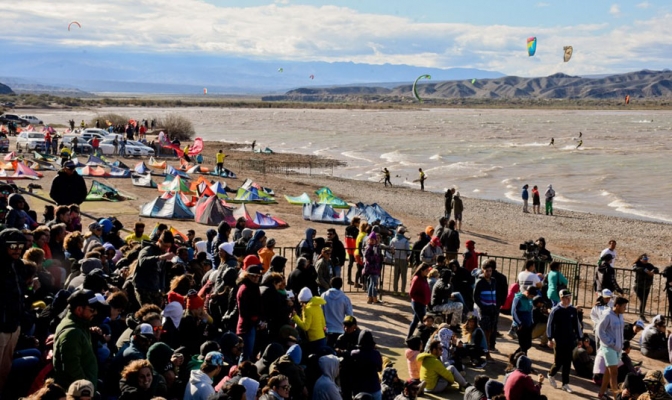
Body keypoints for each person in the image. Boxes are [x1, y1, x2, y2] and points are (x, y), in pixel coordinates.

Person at [53, 289, 108, 391]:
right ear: (79, 310)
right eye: (92, 310)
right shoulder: (72, 333)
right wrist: (88, 390)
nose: (95, 312)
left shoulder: (80, 325)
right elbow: (72, 370)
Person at [0, 229, 27, 393]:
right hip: (0, 328)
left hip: (14, 326)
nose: (17, 249)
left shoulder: (19, 265)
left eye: (20, 246)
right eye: (13, 246)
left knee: (4, 371)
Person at [546, 289, 582, 393]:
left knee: (567, 362)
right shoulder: (555, 310)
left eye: (570, 297)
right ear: (561, 298)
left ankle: (565, 384)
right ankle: (551, 374)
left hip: (570, 340)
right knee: (558, 362)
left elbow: (577, 325)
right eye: (567, 297)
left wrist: (580, 338)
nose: (569, 299)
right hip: (558, 340)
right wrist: (550, 338)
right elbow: (549, 325)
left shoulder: (572, 310)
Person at [596, 296, 628, 400]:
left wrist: (620, 345)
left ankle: (601, 393)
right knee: (614, 373)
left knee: (608, 371)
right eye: (624, 306)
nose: (625, 309)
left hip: (617, 349)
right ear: (617, 306)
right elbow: (599, 331)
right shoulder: (607, 315)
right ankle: (616, 398)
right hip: (608, 348)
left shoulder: (620, 315)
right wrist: (611, 343)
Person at [133, 231, 176, 307]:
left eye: (168, 247)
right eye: (165, 246)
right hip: (143, 288)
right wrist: (159, 257)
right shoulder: (148, 249)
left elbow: (161, 271)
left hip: (154, 288)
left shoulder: (163, 253)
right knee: (148, 313)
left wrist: (162, 289)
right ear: (159, 241)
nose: (166, 248)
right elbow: (142, 261)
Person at [473, 261, 497, 358]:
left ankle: (486, 350)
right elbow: (475, 297)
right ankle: (486, 352)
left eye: (490, 271)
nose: (488, 273)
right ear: (483, 271)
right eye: (487, 271)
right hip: (484, 310)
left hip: (492, 310)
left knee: (491, 331)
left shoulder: (493, 281)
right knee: (485, 332)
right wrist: (482, 306)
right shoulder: (480, 282)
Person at [293, 287, 327, 353]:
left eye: (301, 303)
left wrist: (295, 317)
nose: (301, 305)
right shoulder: (318, 307)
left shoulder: (307, 309)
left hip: (314, 340)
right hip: (322, 338)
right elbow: (323, 323)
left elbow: (306, 327)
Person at [321, 277, 353, 348]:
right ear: (341, 285)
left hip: (327, 330)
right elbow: (350, 315)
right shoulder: (345, 298)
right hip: (340, 330)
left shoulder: (324, 296)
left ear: (331, 284)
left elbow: (320, 312)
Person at [350, 330, 383, 400]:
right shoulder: (376, 354)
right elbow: (380, 369)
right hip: (374, 388)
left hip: (359, 389)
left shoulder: (354, 354)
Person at [407, 263, 431, 339]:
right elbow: (411, 293)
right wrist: (420, 299)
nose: (428, 272)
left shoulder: (424, 278)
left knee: (415, 321)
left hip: (422, 303)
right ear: (422, 270)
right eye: (426, 270)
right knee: (424, 323)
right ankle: (422, 338)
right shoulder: (417, 278)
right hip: (418, 304)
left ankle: (409, 337)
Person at [633, 253, 659, 321]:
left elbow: (656, 269)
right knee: (643, 300)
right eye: (644, 259)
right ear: (641, 259)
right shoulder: (638, 264)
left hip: (647, 286)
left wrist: (654, 271)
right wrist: (645, 271)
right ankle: (641, 315)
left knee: (644, 301)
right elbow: (635, 268)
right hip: (639, 286)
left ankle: (641, 315)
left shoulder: (649, 265)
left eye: (647, 259)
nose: (646, 260)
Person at [512, 286, 538, 354]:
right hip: (520, 325)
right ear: (527, 292)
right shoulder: (518, 298)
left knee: (528, 345)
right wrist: (519, 323)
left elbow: (530, 310)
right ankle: (520, 359)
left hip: (528, 324)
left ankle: (514, 356)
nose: (532, 298)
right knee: (523, 345)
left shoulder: (530, 299)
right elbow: (513, 312)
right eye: (531, 296)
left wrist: (532, 321)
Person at [363, 232, 383, 304]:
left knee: (372, 283)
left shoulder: (375, 247)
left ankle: (370, 298)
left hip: (375, 267)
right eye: (370, 239)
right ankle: (374, 298)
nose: (371, 241)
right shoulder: (369, 247)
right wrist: (375, 256)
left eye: (373, 240)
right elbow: (367, 257)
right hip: (372, 268)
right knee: (374, 283)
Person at [389, 226, 410, 294]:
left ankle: (395, 290)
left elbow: (390, 249)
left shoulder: (393, 240)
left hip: (396, 258)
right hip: (403, 259)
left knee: (396, 275)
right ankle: (402, 291)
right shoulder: (405, 241)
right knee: (403, 276)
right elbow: (408, 251)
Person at [344, 217, 360, 286]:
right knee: (358, 264)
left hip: (348, 247)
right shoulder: (355, 230)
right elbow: (356, 240)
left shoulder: (347, 229)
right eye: (358, 222)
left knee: (350, 264)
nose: (359, 224)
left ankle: (349, 279)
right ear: (355, 222)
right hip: (354, 248)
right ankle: (353, 280)